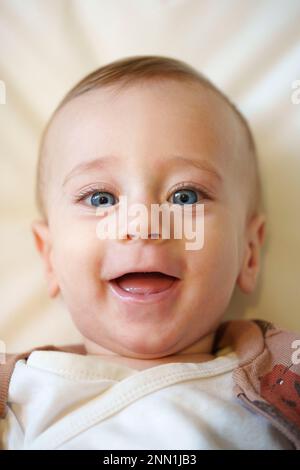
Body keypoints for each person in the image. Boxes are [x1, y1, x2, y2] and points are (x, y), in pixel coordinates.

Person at [0, 55, 299, 450]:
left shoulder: (284, 381)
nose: (142, 224)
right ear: (50, 256)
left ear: (249, 252)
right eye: (100, 197)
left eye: (185, 195)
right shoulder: (23, 394)